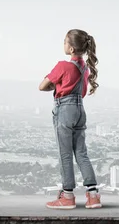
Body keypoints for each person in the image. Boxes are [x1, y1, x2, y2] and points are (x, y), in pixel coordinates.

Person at [38, 29, 102, 209]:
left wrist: (55, 83)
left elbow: (42, 86)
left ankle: (67, 196)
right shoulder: (85, 69)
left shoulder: (63, 66)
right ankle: (93, 195)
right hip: (80, 109)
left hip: (65, 109)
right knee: (81, 152)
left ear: (72, 48)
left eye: (65, 42)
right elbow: (81, 92)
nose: (63, 45)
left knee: (65, 154)